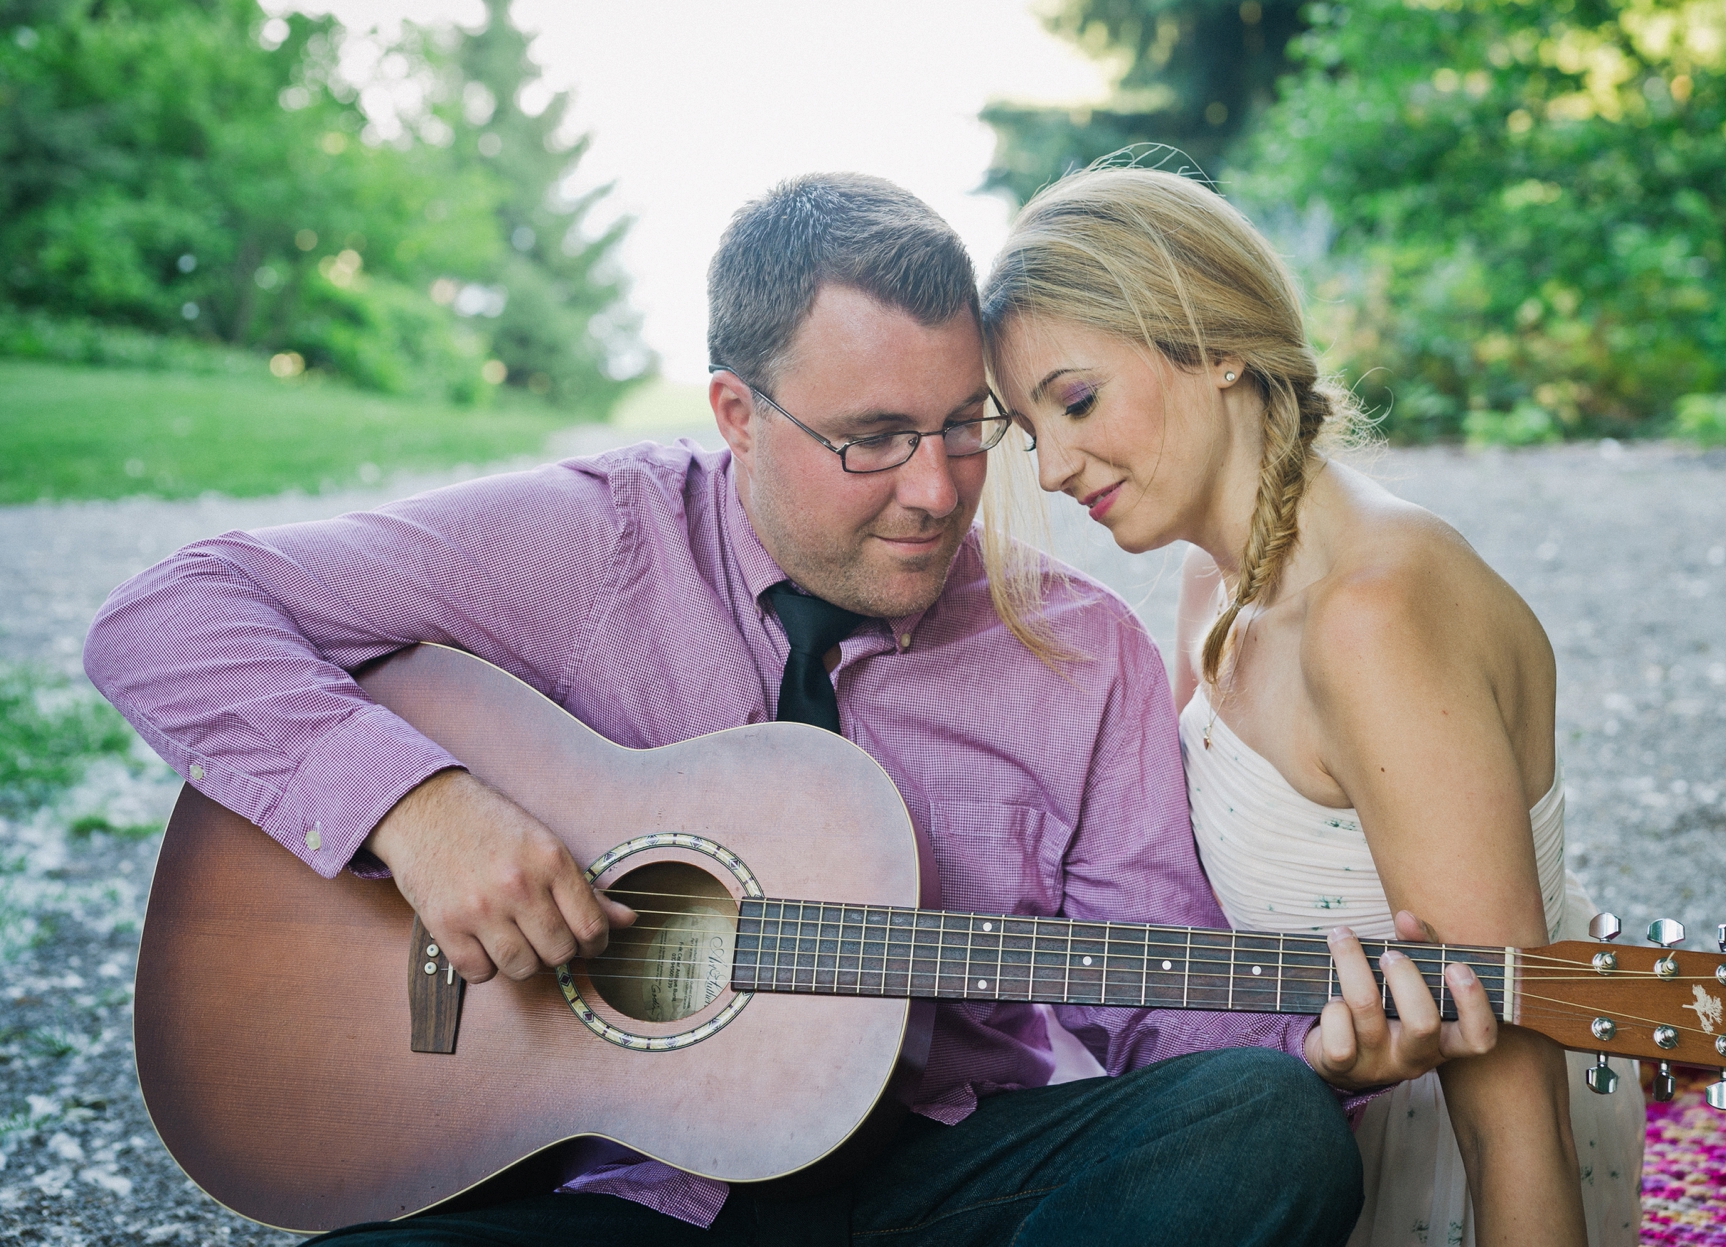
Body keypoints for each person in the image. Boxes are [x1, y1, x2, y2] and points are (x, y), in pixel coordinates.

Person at [84, 172, 1500, 1247]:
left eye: (965, 423)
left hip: (934, 1183)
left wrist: (1324, 1051)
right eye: (872, 439)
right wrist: (422, 806)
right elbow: (169, 612)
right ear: (737, 413)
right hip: (602, 1193)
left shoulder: (1081, 656)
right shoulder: (588, 543)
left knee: (1262, 1129)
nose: (939, 486)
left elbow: (1157, 1006)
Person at [980, 164, 1647, 1247]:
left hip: (1439, 1168)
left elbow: (1511, 1096)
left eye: (1076, 400)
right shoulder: (1213, 580)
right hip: (1301, 1110)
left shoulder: (1371, 622)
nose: (1051, 466)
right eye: (1026, 428)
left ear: (1218, 345)